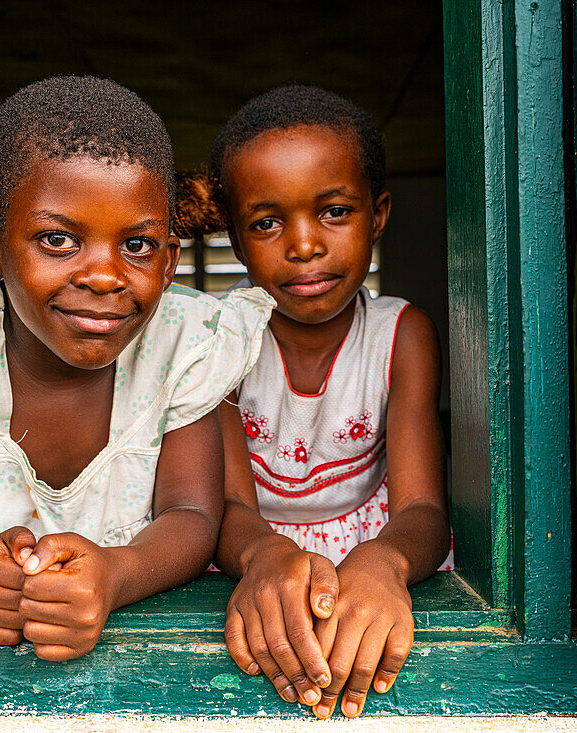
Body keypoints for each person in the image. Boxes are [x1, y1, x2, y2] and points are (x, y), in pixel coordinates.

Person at [0, 76, 273, 662]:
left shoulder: (183, 342)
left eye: (138, 246)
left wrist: (117, 574)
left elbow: (191, 515)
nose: (103, 275)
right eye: (57, 240)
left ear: (171, 261)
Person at [180, 85, 450, 718]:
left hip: (379, 549)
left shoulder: (402, 334)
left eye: (334, 211)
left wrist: (384, 562)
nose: (303, 245)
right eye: (267, 223)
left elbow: (423, 507)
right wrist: (264, 557)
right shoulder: (216, 341)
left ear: (378, 214)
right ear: (238, 242)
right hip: (251, 554)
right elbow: (227, 506)